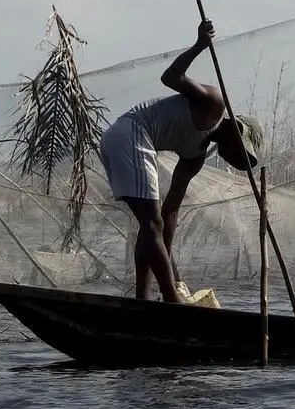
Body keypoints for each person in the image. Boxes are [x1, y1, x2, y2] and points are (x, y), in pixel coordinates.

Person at [97, 20, 263, 303]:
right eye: (241, 154)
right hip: (132, 133)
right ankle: (171, 299)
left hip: (129, 142)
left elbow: (171, 212)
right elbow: (171, 77)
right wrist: (200, 44)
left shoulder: (196, 157)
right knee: (152, 224)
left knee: (153, 224)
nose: (237, 162)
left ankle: (143, 298)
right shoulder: (214, 103)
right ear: (236, 131)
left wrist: (172, 266)